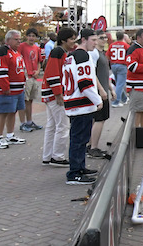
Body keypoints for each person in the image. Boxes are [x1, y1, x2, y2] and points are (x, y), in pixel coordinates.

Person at [63, 29, 103, 185]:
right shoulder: (82, 55)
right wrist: (97, 100)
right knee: (79, 138)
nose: (95, 42)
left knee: (79, 137)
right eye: (93, 40)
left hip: (74, 100)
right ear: (84, 40)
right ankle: (74, 173)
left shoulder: (72, 56)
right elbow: (85, 82)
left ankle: (79, 167)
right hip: (80, 103)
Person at [41, 27, 77, 167]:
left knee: (52, 125)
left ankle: (48, 155)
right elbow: (53, 74)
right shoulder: (59, 52)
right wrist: (58, 94)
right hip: (54, 93)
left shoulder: (60, 52)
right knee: (62, 125)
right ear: (64, 40)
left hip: (49, 92)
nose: (73, 42)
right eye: (72, 39)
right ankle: (57, 156)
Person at [0, 30, 27, 149]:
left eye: (19, 39)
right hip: (7, 90)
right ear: (8, 40)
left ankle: (10, 135)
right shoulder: (2, 51)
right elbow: (0, 70)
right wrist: (5, 87)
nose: (19, 41)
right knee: (2, 112)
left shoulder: (16, 52)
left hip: (18, 89)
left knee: (13, 111)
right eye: (16, 39)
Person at [88, 31, 114, 159]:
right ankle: (93, 147)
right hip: (98, 92)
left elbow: (104, 74)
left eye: (105, 37)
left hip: (102, 90)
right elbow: (92, 74)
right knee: (100, 119)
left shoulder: (101, 53)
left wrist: (111, 89)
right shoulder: (94, 53)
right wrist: (101, 90)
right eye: (101, 38)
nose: (104, 40)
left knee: (98, 119)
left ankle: (91, 145)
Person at [18, 28, 44, 132]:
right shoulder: (22, 46)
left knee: (30, 100)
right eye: (30, 36)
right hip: (25, 76)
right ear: (26, 36)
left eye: (33, 36)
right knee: (24, 100)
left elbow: (39, 61)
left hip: (34, 77)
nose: (31, 38)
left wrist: (38, 71)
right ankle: (22, 122)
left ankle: (29, 121)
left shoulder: (36, 48)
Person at [107, 31, 129, 106]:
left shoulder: (112, 45)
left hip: (113, 65)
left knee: (118, 83)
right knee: (120, 84)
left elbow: (108, 55)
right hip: (122, 65)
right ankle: (116, 101)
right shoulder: (126, 45)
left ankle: (124, 98)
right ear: (123, 37)